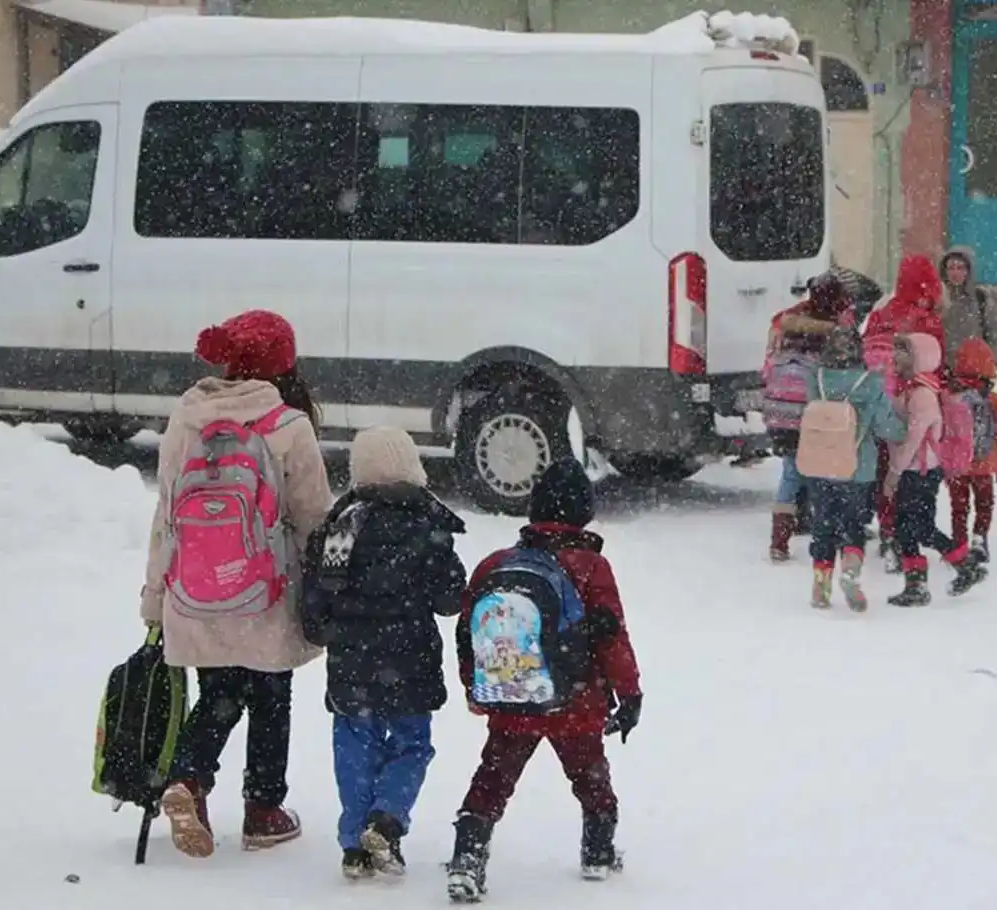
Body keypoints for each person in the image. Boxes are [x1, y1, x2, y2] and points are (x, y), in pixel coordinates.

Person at [140, 309, 333, 858]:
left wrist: (155, 594)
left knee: (220, 690)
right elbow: (314, 517)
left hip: (195, 583)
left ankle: (190, 781)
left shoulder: (187, 416)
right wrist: (322, 593)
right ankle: (264, 809)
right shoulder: (288, 425)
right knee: (271, 693)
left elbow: (165, 512)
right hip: (264, 588)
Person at [447, 458, 642, 902]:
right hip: (576, 701)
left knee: (493, 777)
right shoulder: (591, 566)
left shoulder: (497, 564)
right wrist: (629, 694)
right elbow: (613, 637)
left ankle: (468, 857)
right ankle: (598, 850)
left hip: (513, 696)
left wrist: (478, 689)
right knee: (590, 775)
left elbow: (470, 634)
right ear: (583, 512)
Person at [301, 426, 467, 880]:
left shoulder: (341, 529)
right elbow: (451, 600)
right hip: (410, 660)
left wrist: (330, 628)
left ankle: (355, 844)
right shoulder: (427, 527)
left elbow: (316, 607)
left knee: (355, 746)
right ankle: (387, 819)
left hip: (351, 665)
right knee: (412, 745)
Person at [799, 328, 905, 611]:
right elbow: (886, 427)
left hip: (818, 465)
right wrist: (904, 428)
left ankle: (820, 585)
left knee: (823, 525)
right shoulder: (870, 384)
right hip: (857, 468)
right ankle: (850, 572)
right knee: (853, 525)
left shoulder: (816, 379)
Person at [883, 333, 987, 606]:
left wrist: (894, 472)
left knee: (918, 528)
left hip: (919, 472)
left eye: (902, 351)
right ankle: (925, 580)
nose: (895, 356)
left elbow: (913, 439)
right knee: (910, 528)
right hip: (919, 471)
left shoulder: (922, 394)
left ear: (920, 358)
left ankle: (954, 569)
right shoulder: (914, 388)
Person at [863, 254, 946, 572]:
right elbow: (935, 361)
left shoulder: (882, 313)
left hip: (877, 402)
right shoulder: (926, 319)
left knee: (883, 468)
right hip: (912, 400)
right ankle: (909, 534)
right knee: (911, 471)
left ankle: (887, 529)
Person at [763, 273, 853, 561]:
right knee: (820, 470)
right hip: (808, 411)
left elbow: (768, 365)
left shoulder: (787, 324)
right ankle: (825, 532)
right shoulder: (833, 335)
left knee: (791, 472)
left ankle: (780, 540)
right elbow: (838, 377)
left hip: (779, 408)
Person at [946, 338, 997, 565]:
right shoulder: (993, 399)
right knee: (984, 503)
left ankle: (959, 543)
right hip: (985, 462)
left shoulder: (949, 395)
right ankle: (979, 538)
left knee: (959, 506)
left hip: (957, 464)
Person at [939, 247, 997, 370]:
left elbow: (993, 336)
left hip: (973, 371)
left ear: (969, 271)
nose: (955, 273)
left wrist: (991, 366)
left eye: (960, 268)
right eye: (951, 268)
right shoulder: (938, 298)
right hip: (942, 371)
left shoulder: (981, 298)